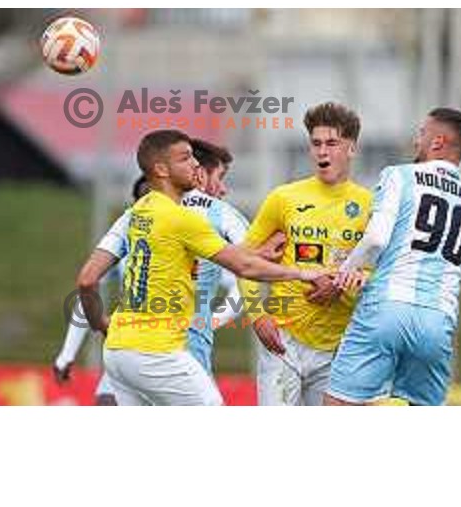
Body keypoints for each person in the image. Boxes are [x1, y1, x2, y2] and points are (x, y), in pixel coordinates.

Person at [77, 130, 324, 406]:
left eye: (194, 157)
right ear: (161, 170)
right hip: (160, 352)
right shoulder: (186, 219)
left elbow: (87, 280)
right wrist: (305, 273)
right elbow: (244, 267)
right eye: (185, 158)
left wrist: (100, 324)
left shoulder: (134, 212)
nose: (195, 164)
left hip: (117, 352)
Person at [325, 107, 461, 406]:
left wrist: (344, 271)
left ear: (437, 142)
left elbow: (375, 238)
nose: (416, 141)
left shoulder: (399, 175)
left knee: (339, 407)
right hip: (437, 321)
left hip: (386, 308)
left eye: (421, 133)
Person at [244, 102, 372, 405]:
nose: (322, 152)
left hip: (337, 348)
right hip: (282, 343)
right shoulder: (284, 198)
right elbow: (244, 261)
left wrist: (340, 285)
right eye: (316, 144)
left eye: (332, 143)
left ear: (351, 148)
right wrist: (257, 315)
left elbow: (379, 273)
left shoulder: (371, 205)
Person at [52, 175, 150, 406]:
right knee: (107, 400)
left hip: (179, 353)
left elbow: (240, 281)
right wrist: (68, 352)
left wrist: (212, 319)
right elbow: (86, 291)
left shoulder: (194, 236)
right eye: (145, 199)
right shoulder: (128, 242)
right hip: (129, 349)